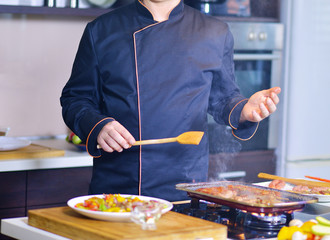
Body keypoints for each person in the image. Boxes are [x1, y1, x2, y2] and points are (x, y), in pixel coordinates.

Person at [60, 0, 281, 202]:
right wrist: (97, 126)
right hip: (119, 188)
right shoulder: (100, 30)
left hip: (184, 189)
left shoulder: (214, 32)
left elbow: (224, 100)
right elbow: (76, 99)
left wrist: (245, 110)